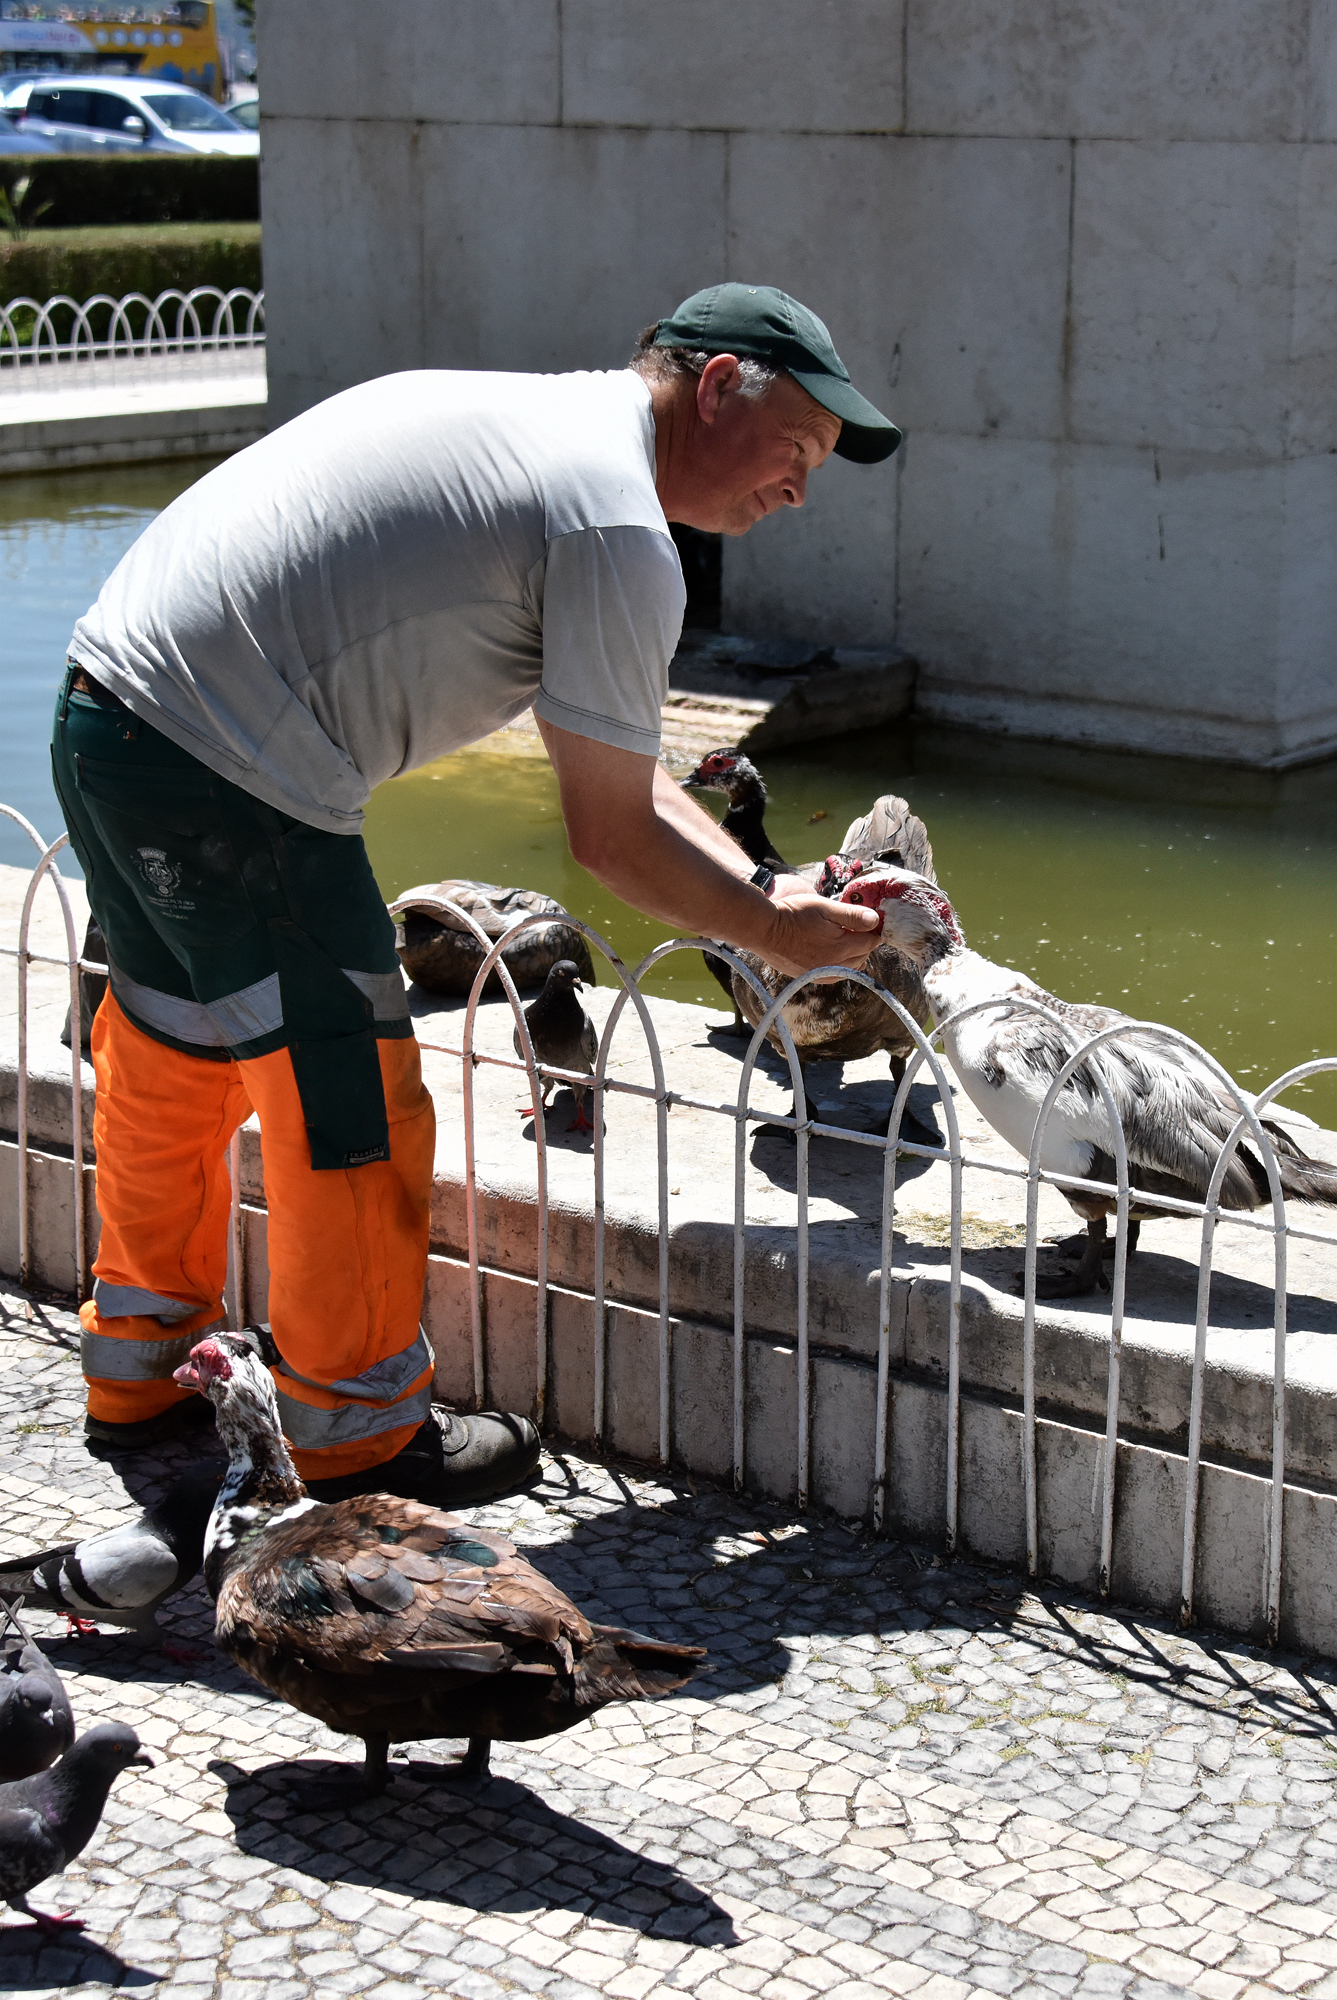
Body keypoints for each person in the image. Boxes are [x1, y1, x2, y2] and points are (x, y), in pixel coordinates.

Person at [51, 281, 901, 1506]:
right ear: (716, 388)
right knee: (349, 1093)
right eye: (798, 449)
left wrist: (768, 884)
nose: (798, 490)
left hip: (111, 717)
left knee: (174, 1051)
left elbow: (629, 778)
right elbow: (606, 838)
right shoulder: (614, 526)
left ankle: (141, 1376)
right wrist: (775, 936)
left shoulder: (544, 432)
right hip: (238, 774)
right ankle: (359, 1431)